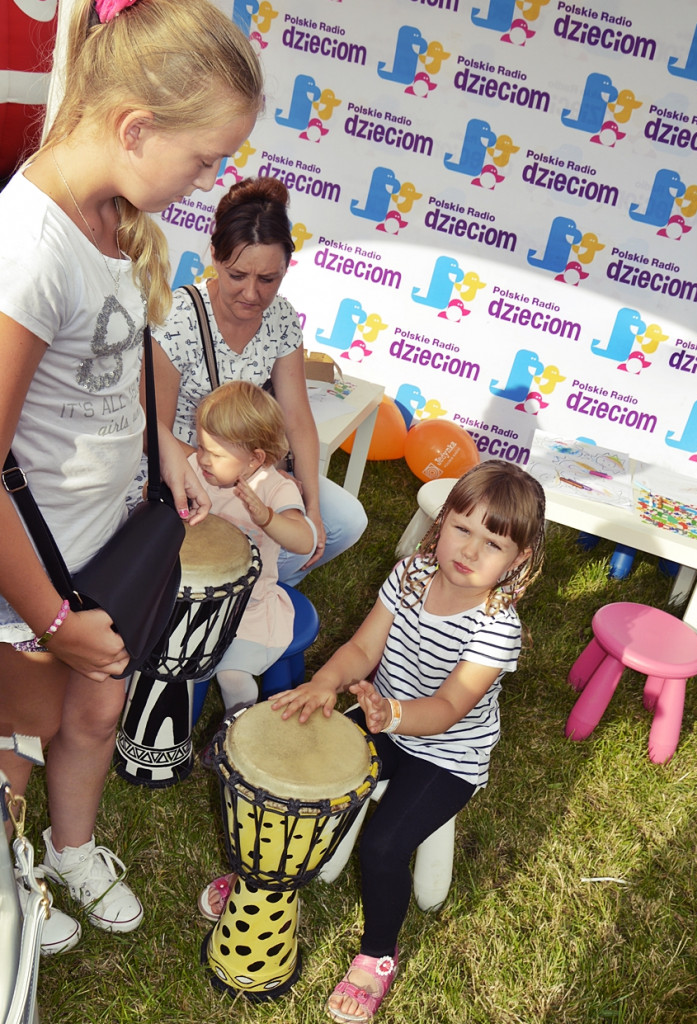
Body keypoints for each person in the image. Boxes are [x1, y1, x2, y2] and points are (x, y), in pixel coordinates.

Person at [0, 0, 263, 955]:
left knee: (99, 709)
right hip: (27, 585)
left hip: (94, 550)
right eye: (203, 161)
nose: (208, 182)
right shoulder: (27, 253)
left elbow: (132, 347)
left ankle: (71, 851)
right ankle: (15, 876)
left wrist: (166, 442)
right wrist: (54, 623)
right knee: (18, 741)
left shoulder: (112, 213)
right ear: (136, 128)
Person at [225, 459, 543, 1021]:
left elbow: (446, 710)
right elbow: (363, 649)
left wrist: (389, 713)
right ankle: (266, 886)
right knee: (303, 788)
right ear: (441, 522)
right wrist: (325, 683)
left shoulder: (497, 627)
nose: (468, 551)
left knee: (384, 846)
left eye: (491, 543)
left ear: (517, 561)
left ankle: (377, 955)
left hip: (447, 755)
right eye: (461, 528)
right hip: (385, 720)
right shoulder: (410, 576)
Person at [152, 176, 368, 586]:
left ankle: (252, 592)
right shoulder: (178, 318)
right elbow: (155, 431)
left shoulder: (282, 318)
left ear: (286, 267)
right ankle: (238, 591)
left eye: (268, 279)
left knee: (345, 521)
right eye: (237, 275)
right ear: (214, 257)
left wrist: (312, 505)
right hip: (191, 469)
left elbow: (298, 418)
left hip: (255, 468)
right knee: (260, 534)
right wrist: (249, 476)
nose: (252, 293)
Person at [191, 380, 315, 717]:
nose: (201, 459)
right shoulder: (198, 470)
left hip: (247, 607)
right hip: (193, 598)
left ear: (254, 459)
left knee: (232, 675)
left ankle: (240, 727)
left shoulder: (275, 489)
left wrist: (268, 518)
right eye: (200, 446)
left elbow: (305, 540)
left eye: (213, 454)